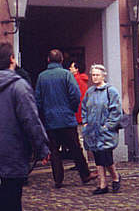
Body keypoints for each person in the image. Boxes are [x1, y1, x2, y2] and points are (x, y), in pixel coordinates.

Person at [0, 42, 50, 211]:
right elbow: (31, 119)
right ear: (12, 59)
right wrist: (42, 148)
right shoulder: (20, 86)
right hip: (14, 148)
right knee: (8, 195)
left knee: (11, 196)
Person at [35, 48, 97, 188]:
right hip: (67, 119)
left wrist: (42, 115)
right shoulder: (66, 75)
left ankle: (58, 179)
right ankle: (85, 174)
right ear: (61, 60)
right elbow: (75, 95)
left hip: (50, 120)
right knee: (76, 149)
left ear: (48, 60)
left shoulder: (41, 77)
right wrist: (72, 109)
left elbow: (37, 99)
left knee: (54, 151)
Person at [82, 64, 122, 195]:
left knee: (106, 157)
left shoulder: (111, 91)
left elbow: (116, 111)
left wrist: (108, 126)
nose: (95, 77)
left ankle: (115, 177)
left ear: (103, 75)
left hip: (105, 131)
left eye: (97, 74)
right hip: (93, 131)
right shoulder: (90, 92)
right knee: (98, 157)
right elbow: (84, 108)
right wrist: (86, 122)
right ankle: (102, 184)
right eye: (93, 74)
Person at [69, 61, 89, 164]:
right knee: (81, 138)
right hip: (82, 113)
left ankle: (83, 162)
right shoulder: (83, 80)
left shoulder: (75, 80)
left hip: (77, 113)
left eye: (72, 67)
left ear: (77, 69)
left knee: (79, 139)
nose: (69, 69)